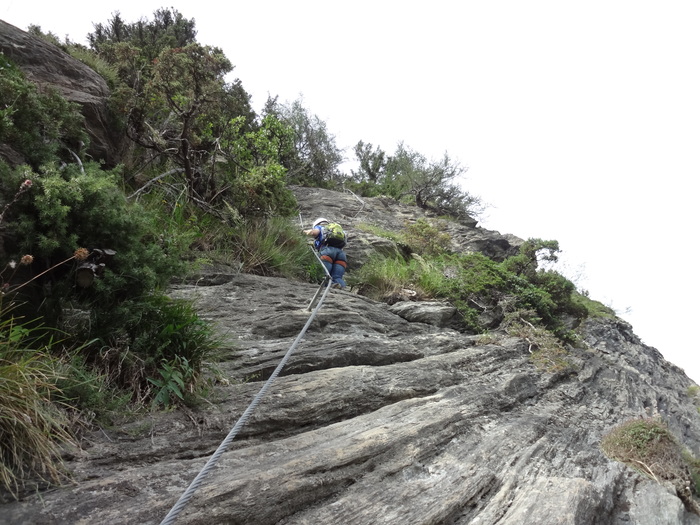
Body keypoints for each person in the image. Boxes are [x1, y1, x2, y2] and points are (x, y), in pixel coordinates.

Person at [304, 217, 347, 289]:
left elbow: (313, 232)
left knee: (324, 275)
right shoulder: (340, 232)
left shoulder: (321, 227)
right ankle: (341, 287)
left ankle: (329, 285)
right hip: (341, 255)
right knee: (337, 277)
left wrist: (303, 232)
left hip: (327, 252)